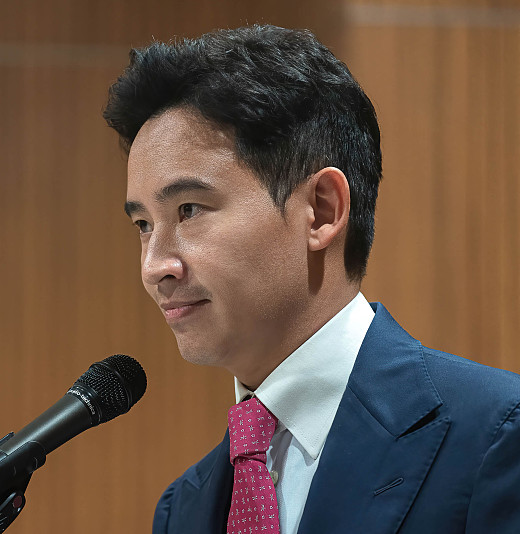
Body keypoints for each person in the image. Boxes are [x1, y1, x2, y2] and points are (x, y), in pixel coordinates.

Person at [102, 25, 520, 534]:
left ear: (322, 211)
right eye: (144, 225)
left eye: (189, 210)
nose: (154, 267)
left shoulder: (497, 434)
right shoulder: (183, 509)